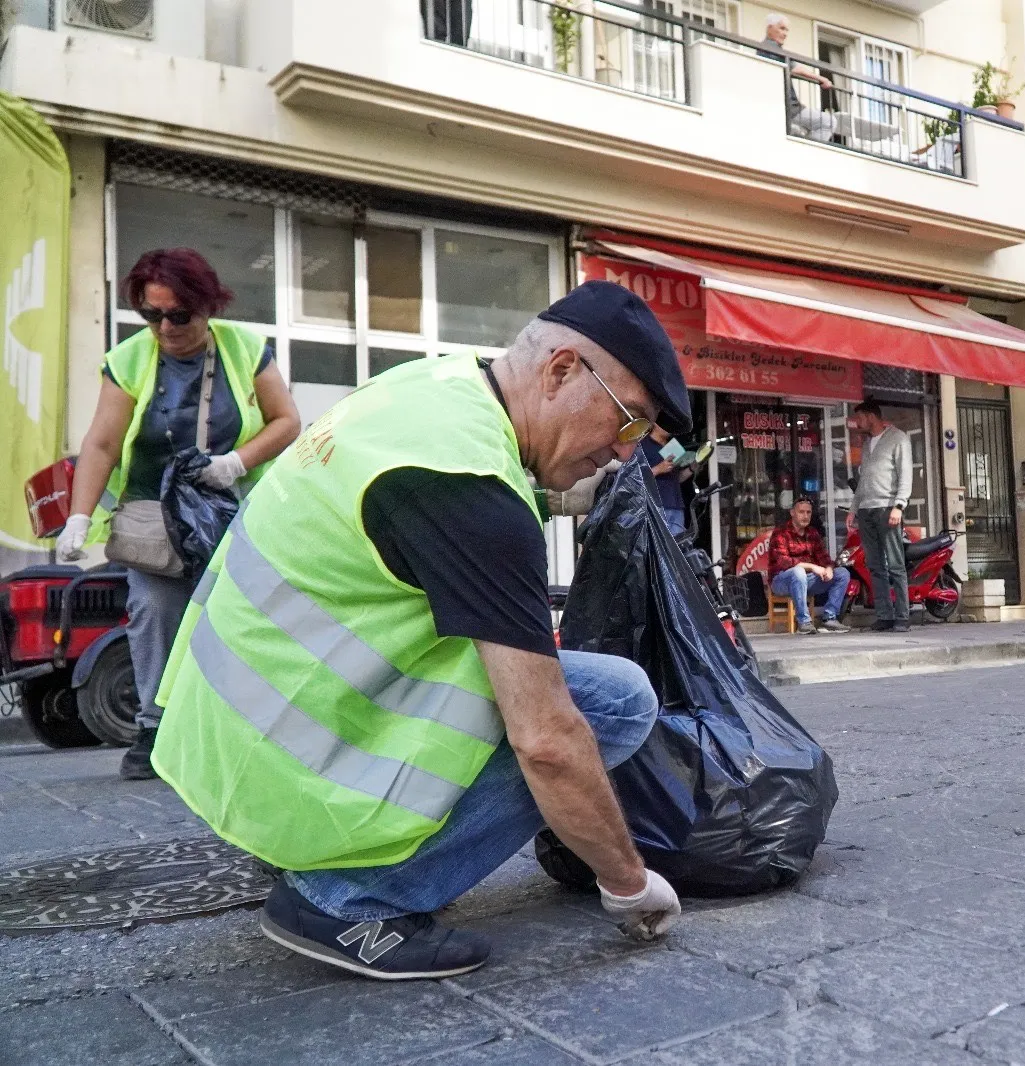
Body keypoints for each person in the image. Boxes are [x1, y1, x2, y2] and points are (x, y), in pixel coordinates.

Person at [150, 281, 694, 980]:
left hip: (227, 732)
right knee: (610, 704)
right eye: (626, 423)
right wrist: (627, 882)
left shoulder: (432, 388)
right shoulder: (471, 490)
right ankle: (347, 898)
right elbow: (548, 741)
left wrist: (542, 491)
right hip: (290, 762)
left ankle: (319, 856)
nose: (624, 455)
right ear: (561, 371)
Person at [57, 249, 300, 781]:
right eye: (151, 315)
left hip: (229, 504)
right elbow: (101, 444)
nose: (165, 327)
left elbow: (286, 421)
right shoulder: (128, 360)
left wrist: (235, 463)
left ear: (206, 306)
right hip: (154, 515)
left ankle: (239, 728)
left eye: (178, 315)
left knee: (236, 612)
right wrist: (78, 517)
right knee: (155, 609)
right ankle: (155, 729)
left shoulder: (244, 348)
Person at [851, 400, 913, 633]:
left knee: (895, 564)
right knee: (875, 565)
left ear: (871, 417)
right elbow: (864, 480)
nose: (857, 423)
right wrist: (854, 509)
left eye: (859, 418)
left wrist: (899, 505)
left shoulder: (898, 438)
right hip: (867, 509)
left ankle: (902, 616)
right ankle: (884, 616)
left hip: (887, 508)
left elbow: (905, 474)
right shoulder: (867, 445)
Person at [769, 497, 850, 634]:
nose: (805, 516)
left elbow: (824, 558)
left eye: (808, 512)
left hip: (806, 580)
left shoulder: (812, 533)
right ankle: (804, 622)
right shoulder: (780, 533)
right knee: (798, 572)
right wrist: (812, 567)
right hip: (781, 581)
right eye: (801, 512)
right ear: (792, 513)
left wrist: (829, 569)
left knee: (842, 573)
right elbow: (784, 562)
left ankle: (829, 618)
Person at [761, 14, 836, 143]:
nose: (785, 33)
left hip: (781, 107)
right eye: (782, 28)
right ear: (769, 28)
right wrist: (821, 79)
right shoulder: (771, 48)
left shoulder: (767, 48)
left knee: (800, 131)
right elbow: (796, 69)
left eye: (786, 30)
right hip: (790, 108)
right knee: (828, 121)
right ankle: (811, 153)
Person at [639, 424, 691, 536]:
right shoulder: (642, 444)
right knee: (658, 547)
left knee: (677, 547)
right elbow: (633, 477)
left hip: (676, 505)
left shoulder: (673, 447)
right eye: (665, 422)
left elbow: (678, 479)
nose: (668, 427)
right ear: (654, 423)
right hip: (655, 506)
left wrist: (692, 468)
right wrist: (658, 469)